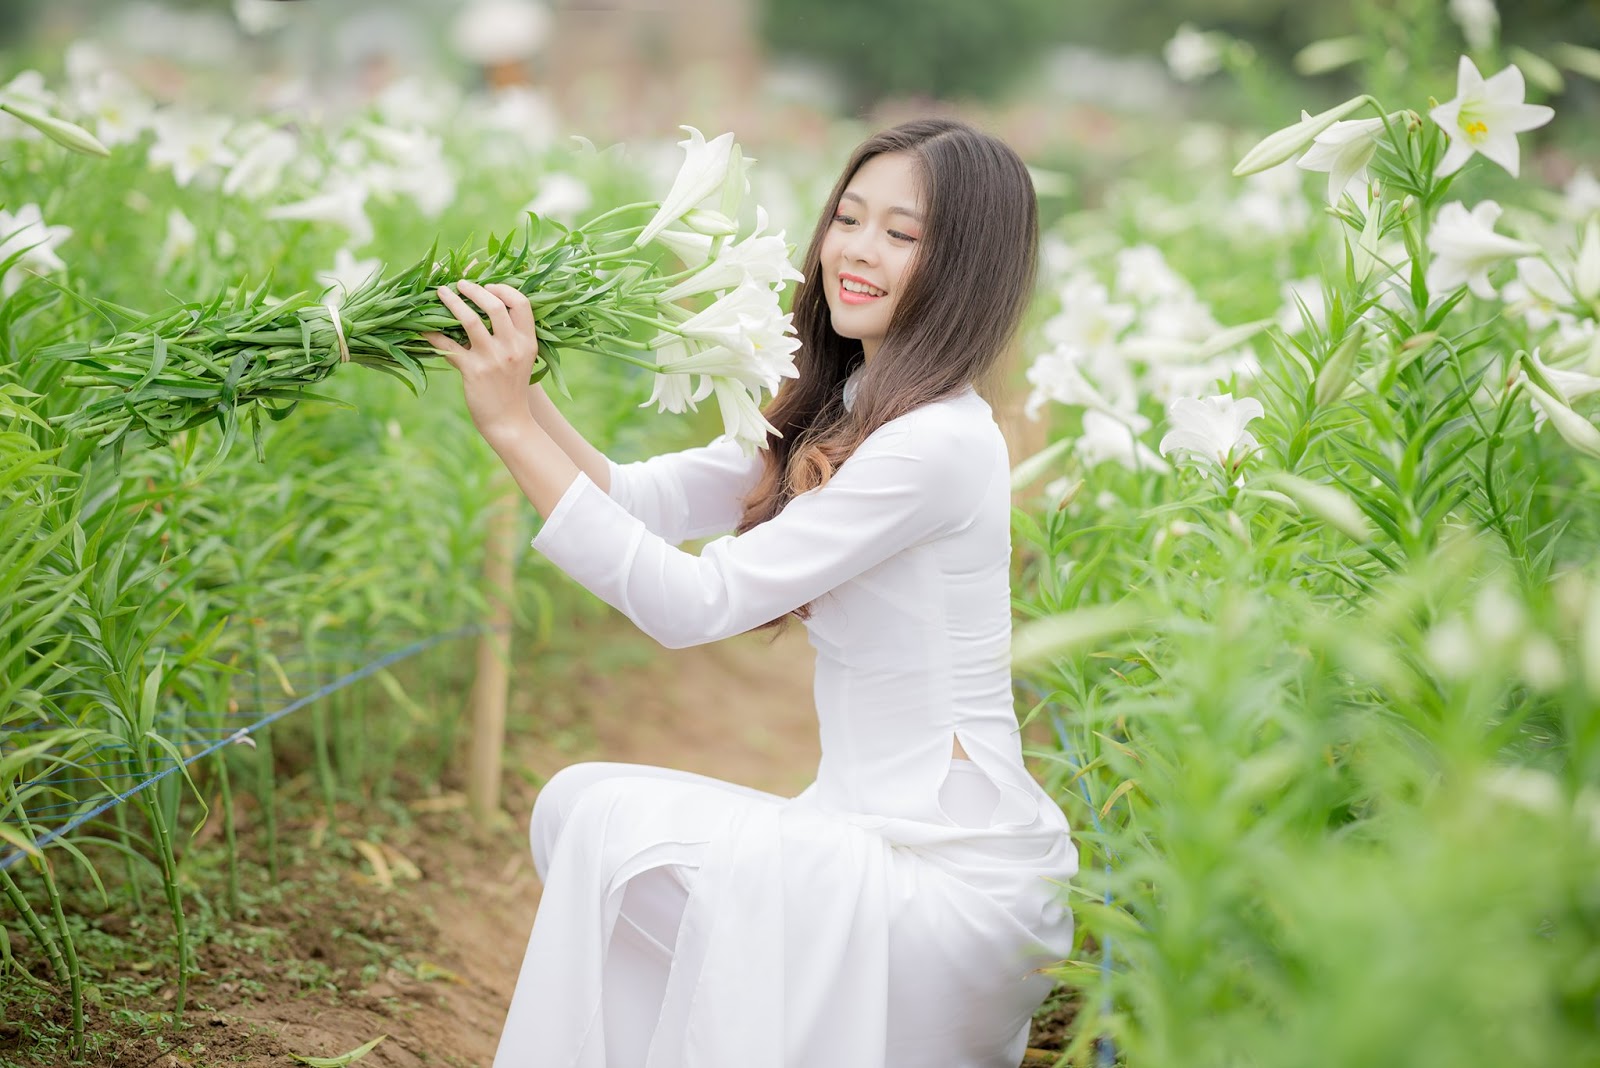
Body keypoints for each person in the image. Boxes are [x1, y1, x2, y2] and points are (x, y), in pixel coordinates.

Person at [424, 117, 1079, 1068]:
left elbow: (693, 604)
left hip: (948, 887)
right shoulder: (850, 406)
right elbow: (639, 499)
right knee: (575, 812)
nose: (856, 250)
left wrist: (510, 431)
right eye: (848, 218)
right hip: (862, 840)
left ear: (966, 269)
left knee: (599, 819)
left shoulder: (936, 444)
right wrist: (519, 393)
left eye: (901, 233)